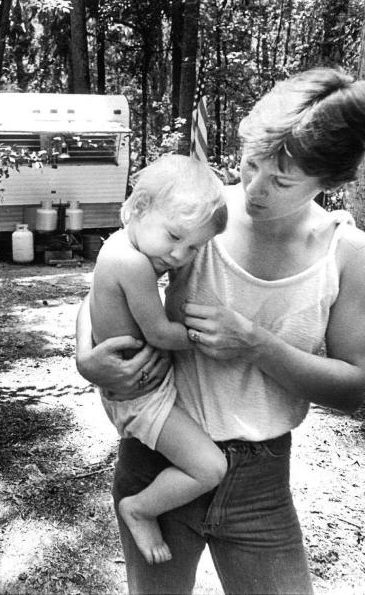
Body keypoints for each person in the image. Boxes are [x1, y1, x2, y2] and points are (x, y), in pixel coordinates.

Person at [75, 67, 365, 594]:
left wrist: (255, 344)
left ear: (329, 181)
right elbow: (109, 284)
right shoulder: (202, 217)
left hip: (260, 483)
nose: (255, 188)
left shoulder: (348, 254)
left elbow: (353, 387)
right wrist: (86, 357)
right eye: (251, 163)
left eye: (282, 180)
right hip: (157, 464)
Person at [89, 154, 229, 565]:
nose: (179, 256)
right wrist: (209, 336)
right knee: (209, 468)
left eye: (193, 248)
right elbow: (159, 333)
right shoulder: (132, 264)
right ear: (138, 208)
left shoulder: (118, 245)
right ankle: (140, 508)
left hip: (138, 388)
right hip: (142, 399)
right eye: (173, 237)